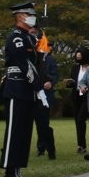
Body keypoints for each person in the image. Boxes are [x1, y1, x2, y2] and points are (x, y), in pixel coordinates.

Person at [0, 1, 43, 177]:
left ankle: (17, 172)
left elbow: (35, 62)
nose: (32, 17)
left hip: (26, 89)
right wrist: (38, 85)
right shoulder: (16, 37)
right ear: (19, 17)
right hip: (16, 88)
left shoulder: (28, 37)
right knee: (14, 132)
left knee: (24, 133)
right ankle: (9, 173)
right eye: (29, 14)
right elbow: (24, 64)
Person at [31, 30, 57, 160]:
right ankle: (39, 148)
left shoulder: (50, 60)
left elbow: (53, 76)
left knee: (43, 125)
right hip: (30, 95)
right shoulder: (30, 58)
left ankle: (49, 148)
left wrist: (50, 82)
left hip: (43, 96)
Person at [67, 46, 89, 154]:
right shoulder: (75, 68)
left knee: (81, 119)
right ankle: (81, 145)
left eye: (80, 57)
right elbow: (74, 81)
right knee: (77, 120)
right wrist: (70, 83)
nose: (78, 59)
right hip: (76, 95)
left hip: (88, 96)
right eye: (77, 57)